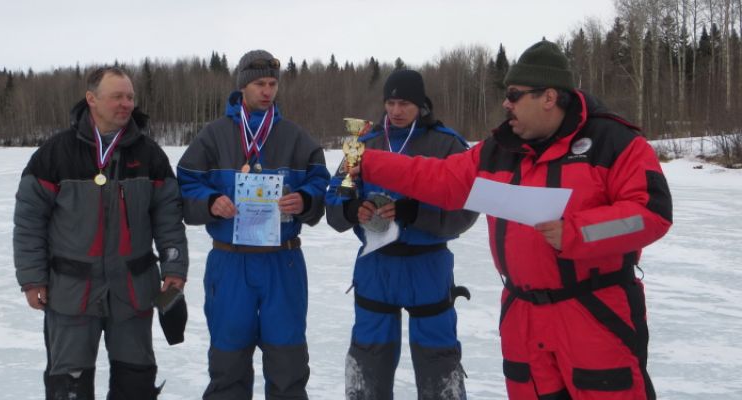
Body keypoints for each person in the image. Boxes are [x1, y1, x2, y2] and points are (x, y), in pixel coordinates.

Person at [352, 41, 672, 399]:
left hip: (592, 312)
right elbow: (441, 179)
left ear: (548, 97)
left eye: (514, 95)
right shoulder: (500, 148)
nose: (506, 103)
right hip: (523, 315)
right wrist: (368, 160)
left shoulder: (614, 142)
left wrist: (579, 232)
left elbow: (652, 213)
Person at [13, 66, 189, 400]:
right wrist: (33, 278)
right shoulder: (55, 154)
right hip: (71, 293)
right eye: (117, 96)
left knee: (136, 383)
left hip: (132, 290)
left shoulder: (149, 155)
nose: (126, 104)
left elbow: (168, 220)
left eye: (130, 97)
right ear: (91, 99)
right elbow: (29, 222)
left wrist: (175, 269)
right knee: (69, 385)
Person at [177, 49, 330, 400]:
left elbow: (323, 186)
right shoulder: (213, 136)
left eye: (273, 84)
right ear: (243, 86)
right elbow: (184, 185)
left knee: (288, 367)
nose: (267, 91)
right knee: (228, 366)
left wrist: (305, 200)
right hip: (231, 263)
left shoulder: (296, 137)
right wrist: (211, 202)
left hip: (283, 261)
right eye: (259, 83)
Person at [326, 69, 478, 399]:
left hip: (427, 264)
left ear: (421, 104)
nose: (396, 111)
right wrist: (353, 210)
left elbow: (467, 210)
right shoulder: (363, 145)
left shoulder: (447, 144)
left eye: (405, 103)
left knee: (438, 362)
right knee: (369, 359)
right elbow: (334, 199)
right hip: (376, 265)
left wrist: (415, 213)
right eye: (391, 102)